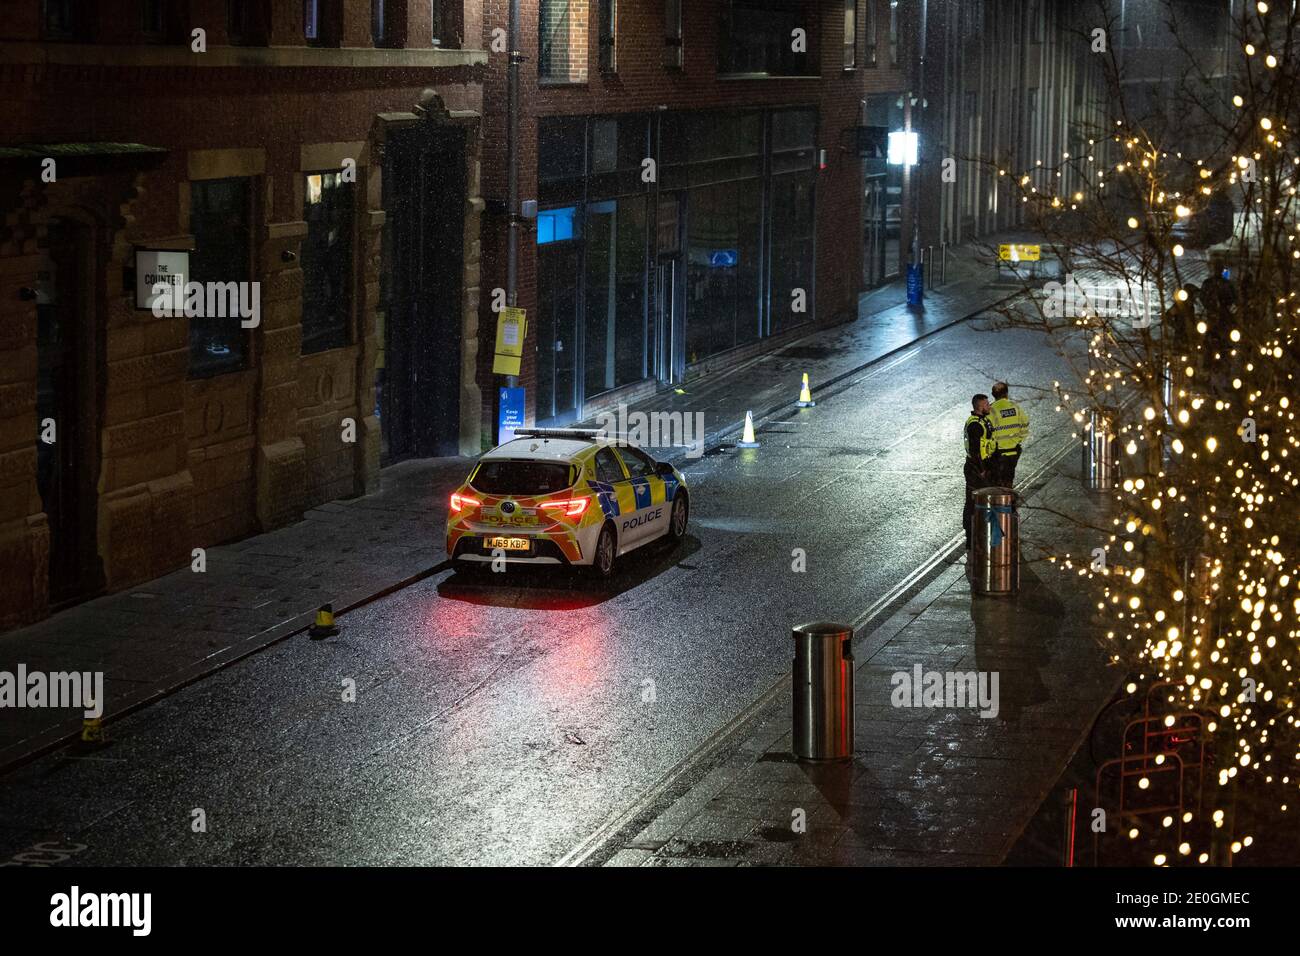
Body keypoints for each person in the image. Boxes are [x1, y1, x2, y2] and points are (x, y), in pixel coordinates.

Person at [963, 394, 996, 549]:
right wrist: (982, 471)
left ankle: (982, 534)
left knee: (983, 501)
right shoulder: (975, 425)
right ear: (980, 407)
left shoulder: (982, 421)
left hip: (983, 466)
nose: (989, 406)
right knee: (973, 503)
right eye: (987, 404)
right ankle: (970, 539)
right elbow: (976, 451)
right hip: (976, 469)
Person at [988, 382, 1029, 488]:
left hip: (998, 453)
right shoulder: (1015, 407)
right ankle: (1009, 499)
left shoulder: (991, 409)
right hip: (1014, 450)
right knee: (1009, 478)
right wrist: (1018, 439)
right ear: (1006, 393)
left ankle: (1002, 501)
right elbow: (1025, 423)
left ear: (993, 395)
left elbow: (987, 432)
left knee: (998, 482)